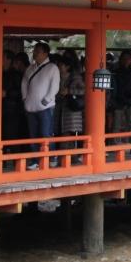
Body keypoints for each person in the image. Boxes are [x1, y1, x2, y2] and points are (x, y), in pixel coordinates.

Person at [22, 42, 61, 170]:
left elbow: (54, 86)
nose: (35, 53)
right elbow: (24, 83)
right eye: (34, 51)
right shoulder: (30, 68)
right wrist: (24, 97)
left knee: (46, 133)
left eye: (37, 51)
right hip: (30, 106)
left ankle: (52, 157)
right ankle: (35, 160)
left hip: (46, 107)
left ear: (45, 53)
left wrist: (47, 99)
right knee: (33, 135)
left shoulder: (52, 68)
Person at [111, 51, 131, 134]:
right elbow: (114, 88)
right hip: (118, 102)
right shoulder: (116, 73)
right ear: (120, 60)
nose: (126, 61)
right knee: (116, 126)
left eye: (128, 59)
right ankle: (116, 142)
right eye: (124, 59)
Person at [61, 52, 85, 138]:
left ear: (68, 66)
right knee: (61, 132)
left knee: (70, 133)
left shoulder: (75, 76)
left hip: (72, 108)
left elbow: (84, 90)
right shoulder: (58, 75)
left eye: (61, 65)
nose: (59, 66)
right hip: (61, 108)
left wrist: (69, 91)